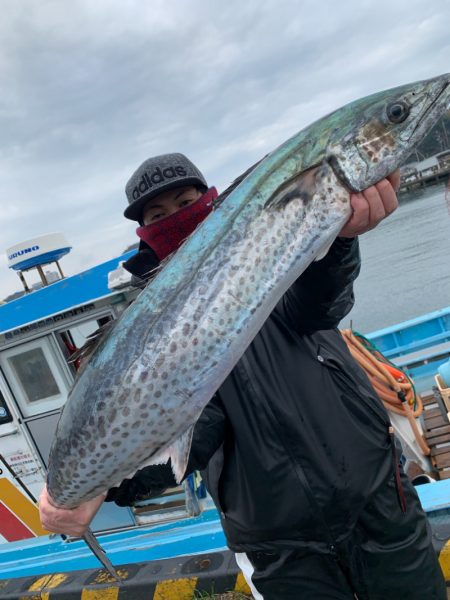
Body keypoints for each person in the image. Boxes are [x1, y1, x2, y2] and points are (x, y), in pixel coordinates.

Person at [40, 153, 446, 599]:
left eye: (186, 202)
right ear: (144, 234)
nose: (176, 219)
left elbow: (322, 304)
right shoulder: (149, 329)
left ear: (212, 201)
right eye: (158, 215)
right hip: (279, 548)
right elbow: (185, 439)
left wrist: (343, 240)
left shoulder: (275, 251)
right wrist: (94, 488)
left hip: (381, 504)